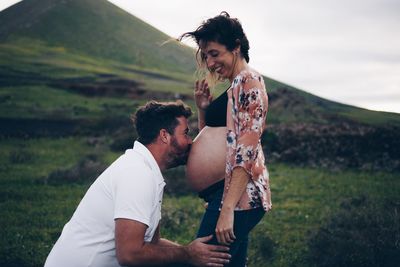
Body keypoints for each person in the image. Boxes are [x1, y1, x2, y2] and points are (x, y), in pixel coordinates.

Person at [44, 100, 231, 267]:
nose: (190, 142)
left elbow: (153, 244)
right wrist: (187, 254)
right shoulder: (137, 174)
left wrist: (191, 253)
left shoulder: (145, 169)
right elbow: (129, 255)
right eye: (185, 133)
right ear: (165, 135)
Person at [180, 12, 272, 266]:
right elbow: (217, 142)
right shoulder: (235, 86)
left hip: (238, 197)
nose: (209, 63)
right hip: (227, 193)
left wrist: (227, 209)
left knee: (201, 259)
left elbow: (247, 150)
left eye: (214, 53)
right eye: (206, 55)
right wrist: (203, 109)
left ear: (236, 47)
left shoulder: (249, 82)